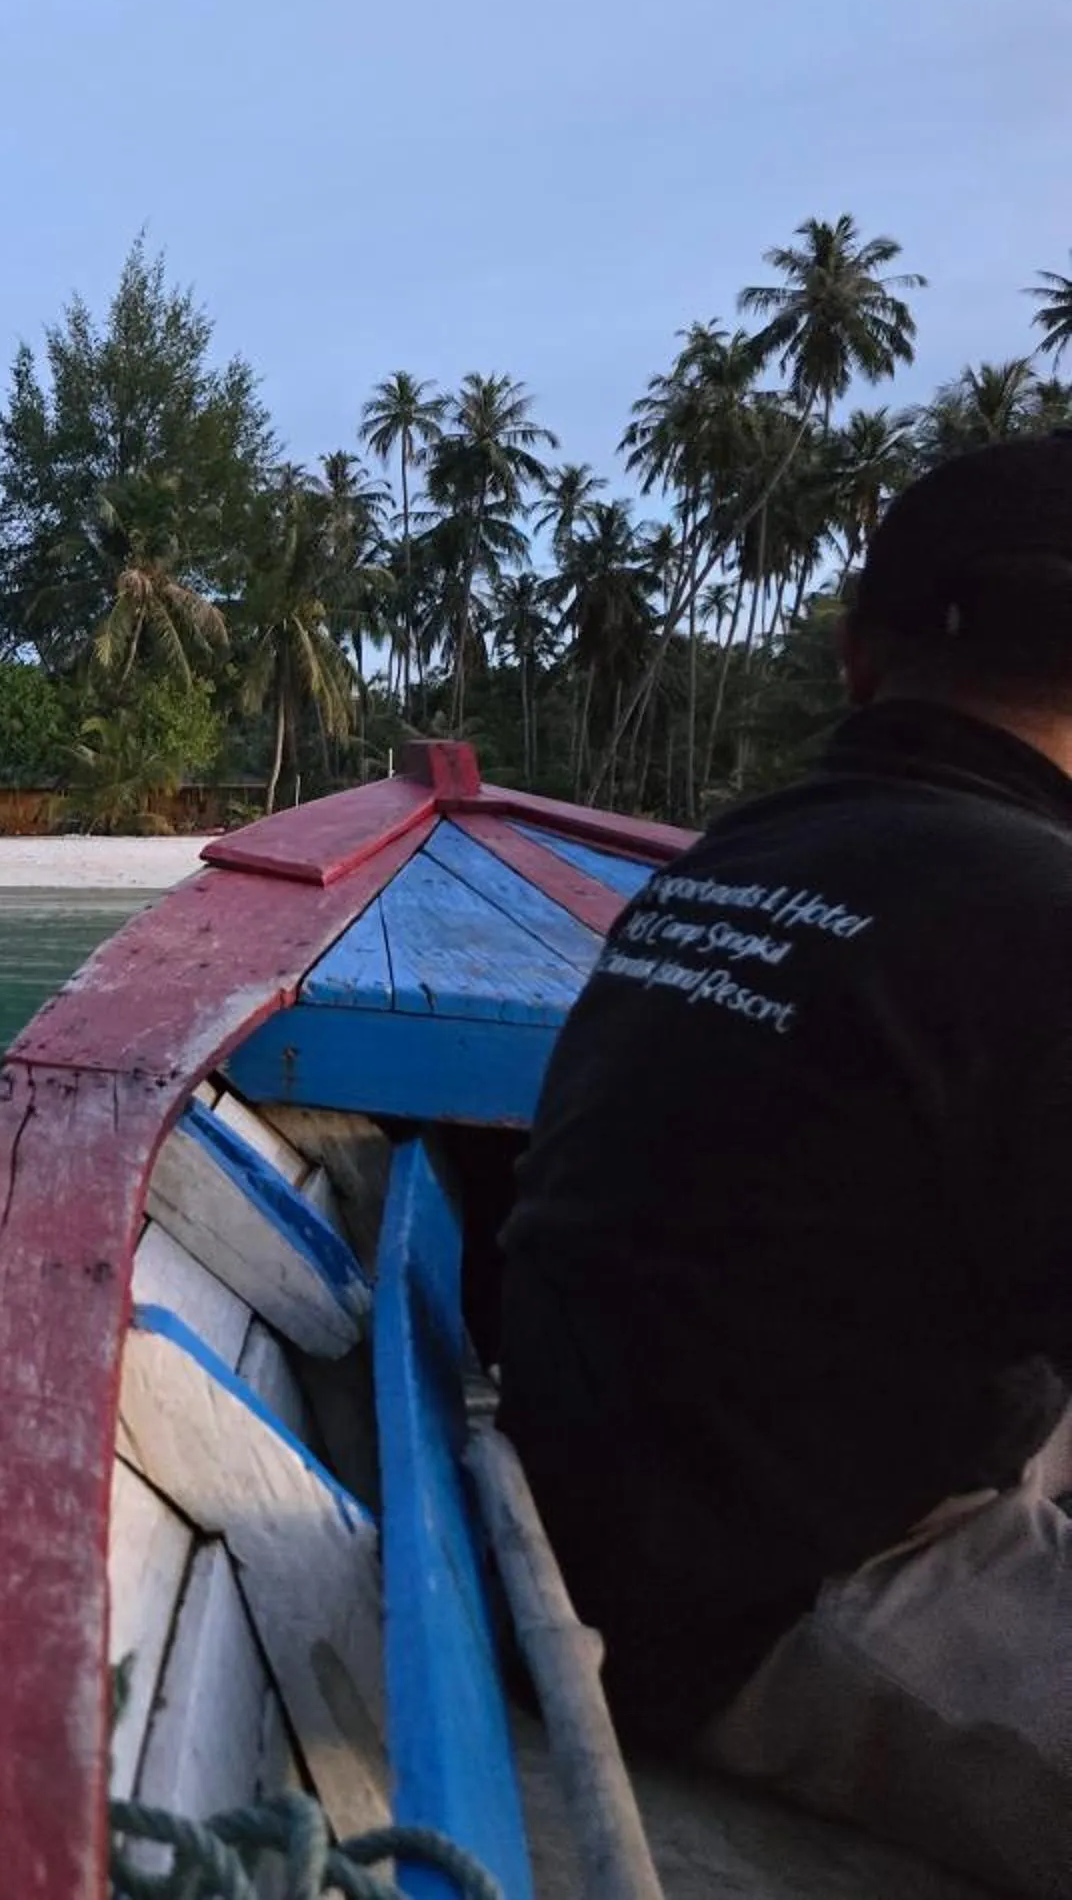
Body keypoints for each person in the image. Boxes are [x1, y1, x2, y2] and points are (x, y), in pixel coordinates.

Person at [499, 432, 1072, 1898]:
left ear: (857, 657)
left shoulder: (743, 852)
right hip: (778, 1594)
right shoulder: (1038, 914)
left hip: (616, 1493)